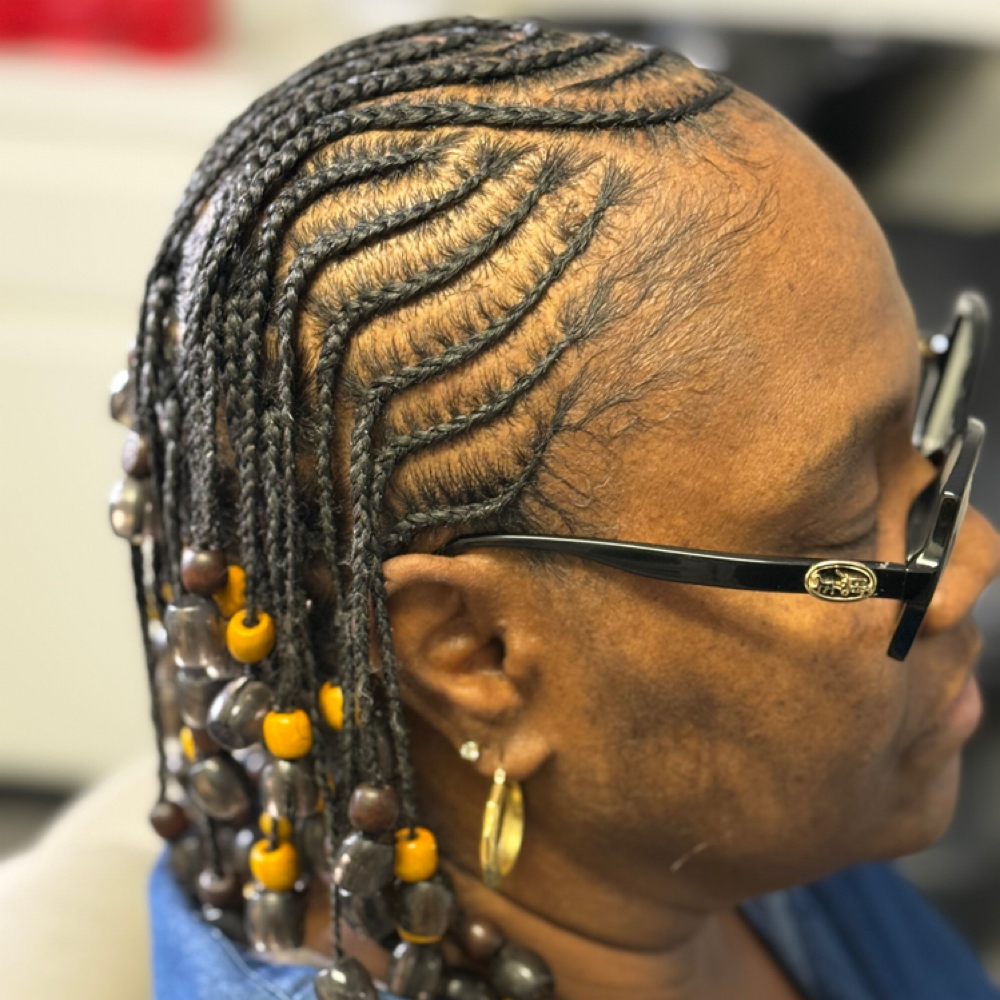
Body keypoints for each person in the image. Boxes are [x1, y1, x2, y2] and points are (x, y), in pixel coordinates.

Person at [94, 15, 1000, 1000]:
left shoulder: (739, 841)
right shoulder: (741, 805)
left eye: (923, 432)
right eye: (840, 526)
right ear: (475, 653)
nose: (975, 561)